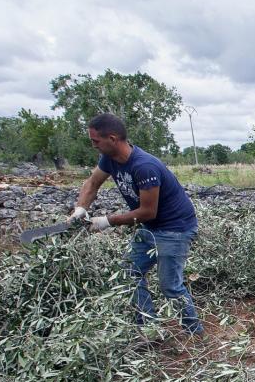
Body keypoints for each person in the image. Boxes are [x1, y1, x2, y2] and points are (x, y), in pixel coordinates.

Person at [69, 112, 203, 335]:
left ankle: (194, 332)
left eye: (96, 141)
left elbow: (148, 212)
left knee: (170, 285)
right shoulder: (109, 159)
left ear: (112, 139)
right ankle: (149, 329)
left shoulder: (144, 166)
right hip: (151, 228)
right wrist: (80, 209)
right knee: (128, 274)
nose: (93, 146)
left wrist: (106, 221)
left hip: (175, 228)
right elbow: (92, 183)